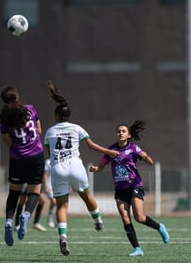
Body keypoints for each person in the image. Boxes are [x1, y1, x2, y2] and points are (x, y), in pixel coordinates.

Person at [43, 81, 119, 256]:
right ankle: (98, 220)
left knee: (62, 206)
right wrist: (109, 151)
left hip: (58, 169)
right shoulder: (77, 128)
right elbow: (91, 146)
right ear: (68, 115)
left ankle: (63, 237)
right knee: (86, 196)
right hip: (76, 167)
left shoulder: (49, 132)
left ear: (56, 115)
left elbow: (50, 154)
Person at [89, 120, 170, 257]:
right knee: (125, 218)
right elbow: (101, 166)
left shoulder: (133, 148)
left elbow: (150, 162)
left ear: (129, 135)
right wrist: (95, 169)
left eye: (123, 131)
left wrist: (145, 157)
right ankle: (137, 249)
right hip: (120, 189)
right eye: (119, 131)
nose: (120, 133)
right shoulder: (111, 150)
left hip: (134, 186)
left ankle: (159, 227)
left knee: (139, 217)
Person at [0, 86, 44, 247]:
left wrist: (2, 123)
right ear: (17, 97)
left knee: (14, 193)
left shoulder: (5, 118)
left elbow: (7, 141)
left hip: (17, 159)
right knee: (34, 192)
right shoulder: (30, 109)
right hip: (36, 156)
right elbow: (39, 130)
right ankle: (26, 215)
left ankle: (9, 222)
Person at [44, 158, 57, 228]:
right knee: (54, 202)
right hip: (50, 185)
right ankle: (49, 219)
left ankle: (57, 220)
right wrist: (46, 186)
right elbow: (45, 175)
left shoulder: (60, 159)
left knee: (58, 203)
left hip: (58, 184)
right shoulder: (48, 161)